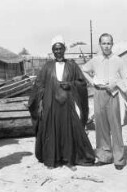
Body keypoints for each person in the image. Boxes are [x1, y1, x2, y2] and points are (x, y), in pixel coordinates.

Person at [28, 35, 95, 171]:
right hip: (51, 105)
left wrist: (70, 84)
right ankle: (52, 160)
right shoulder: (47, 67)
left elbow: (82, 83)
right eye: (55, 49)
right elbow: (39, 85)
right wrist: (39, 102)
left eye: (60, 48)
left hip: (68, 105)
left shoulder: (72, 65)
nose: (58, 51)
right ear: (53, 51)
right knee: (52, 131)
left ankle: (69, 160)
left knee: (68, 131)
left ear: (64, 49)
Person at [82, 33, 127, 170]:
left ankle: (119, 159)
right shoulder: (95, 60)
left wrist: (116, 84)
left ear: (112, 44)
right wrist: (93, 83)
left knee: (115, 126)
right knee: (101, 126)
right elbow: (84, 70)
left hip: (113, 94)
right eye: (104, 43)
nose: (106, 46)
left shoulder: (118, 60)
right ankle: (104, 156)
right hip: (99, 93)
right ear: (100, 44)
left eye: (109, 43)